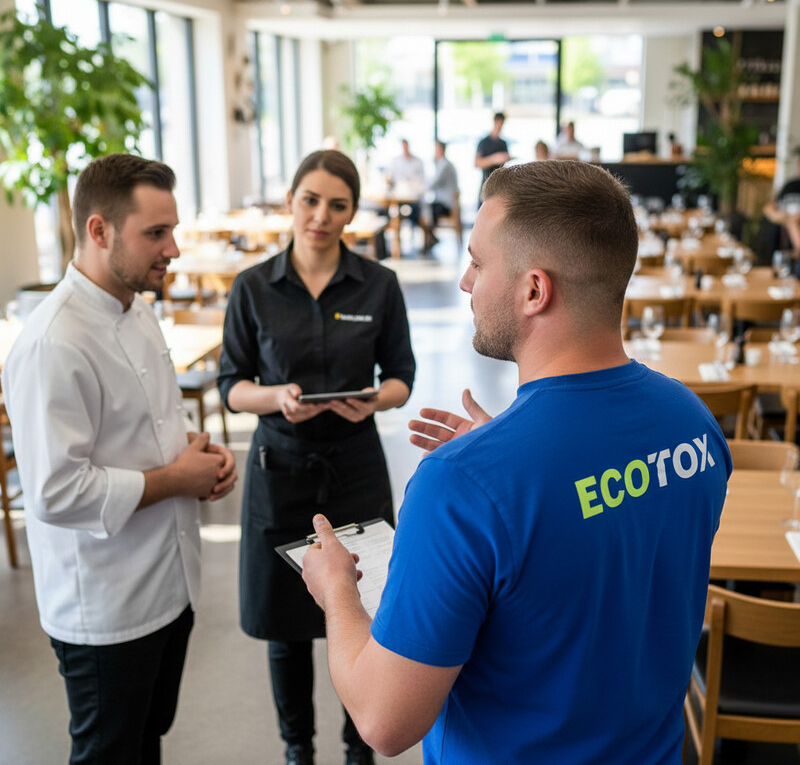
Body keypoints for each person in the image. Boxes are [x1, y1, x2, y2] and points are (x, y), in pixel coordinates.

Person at [301, 159, 731, 764]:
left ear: (534, 289)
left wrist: (337, 591)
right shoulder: (693, 424)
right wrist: (505, 459)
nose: (464, 282)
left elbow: (383, 720)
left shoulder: (461, 488)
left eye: (477, 261)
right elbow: (609, 541)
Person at [1, 153, 238, 765]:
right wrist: (175, 477)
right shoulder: (54, 342)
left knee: (145, 744)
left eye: (174, 230)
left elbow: (155, 416)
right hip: (105, 606)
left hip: (167, 582)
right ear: (99, 231)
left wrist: (196, 451)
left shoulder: (137, 307)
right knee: (109, 753)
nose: (175, 249)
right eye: (156, 233)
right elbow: (55, 492)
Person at [217, 149, 416, 765]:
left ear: (353, 212)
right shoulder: (254, 287)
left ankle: (359, 750)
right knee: (285, 625)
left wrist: (374, 399)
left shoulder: (378, 284)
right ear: (290, 202)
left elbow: (402, 376)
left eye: (337, 205)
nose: (321, 216)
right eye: (311, 200)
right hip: (282, 468)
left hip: (355, 464)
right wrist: (275, 397)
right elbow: (232, 385)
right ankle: (296, 749)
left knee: (366, 610)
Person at [384, 138, 428, 244]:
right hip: (399, 196)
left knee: (416, 211)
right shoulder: (395, 161)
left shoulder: (418, 162)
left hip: (414, 197)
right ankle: (394, 243)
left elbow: (422, 182)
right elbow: (390, 178)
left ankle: (426, 235)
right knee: (388, 211)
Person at [425, 140, 459, 251]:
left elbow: (434, 183)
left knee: (426, 209)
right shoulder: (445, 164)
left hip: (446, 204)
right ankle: (431, 237)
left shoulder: (444, 166)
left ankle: (431, 237)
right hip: (447, 201)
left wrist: (420, 187)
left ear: (440, 150)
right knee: (426, 208)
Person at [474, 111, 510, 206]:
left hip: (499, 185)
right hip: (486, 183)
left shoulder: (503, 143)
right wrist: (494, 159)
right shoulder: (484, 142)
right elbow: (477, 163)